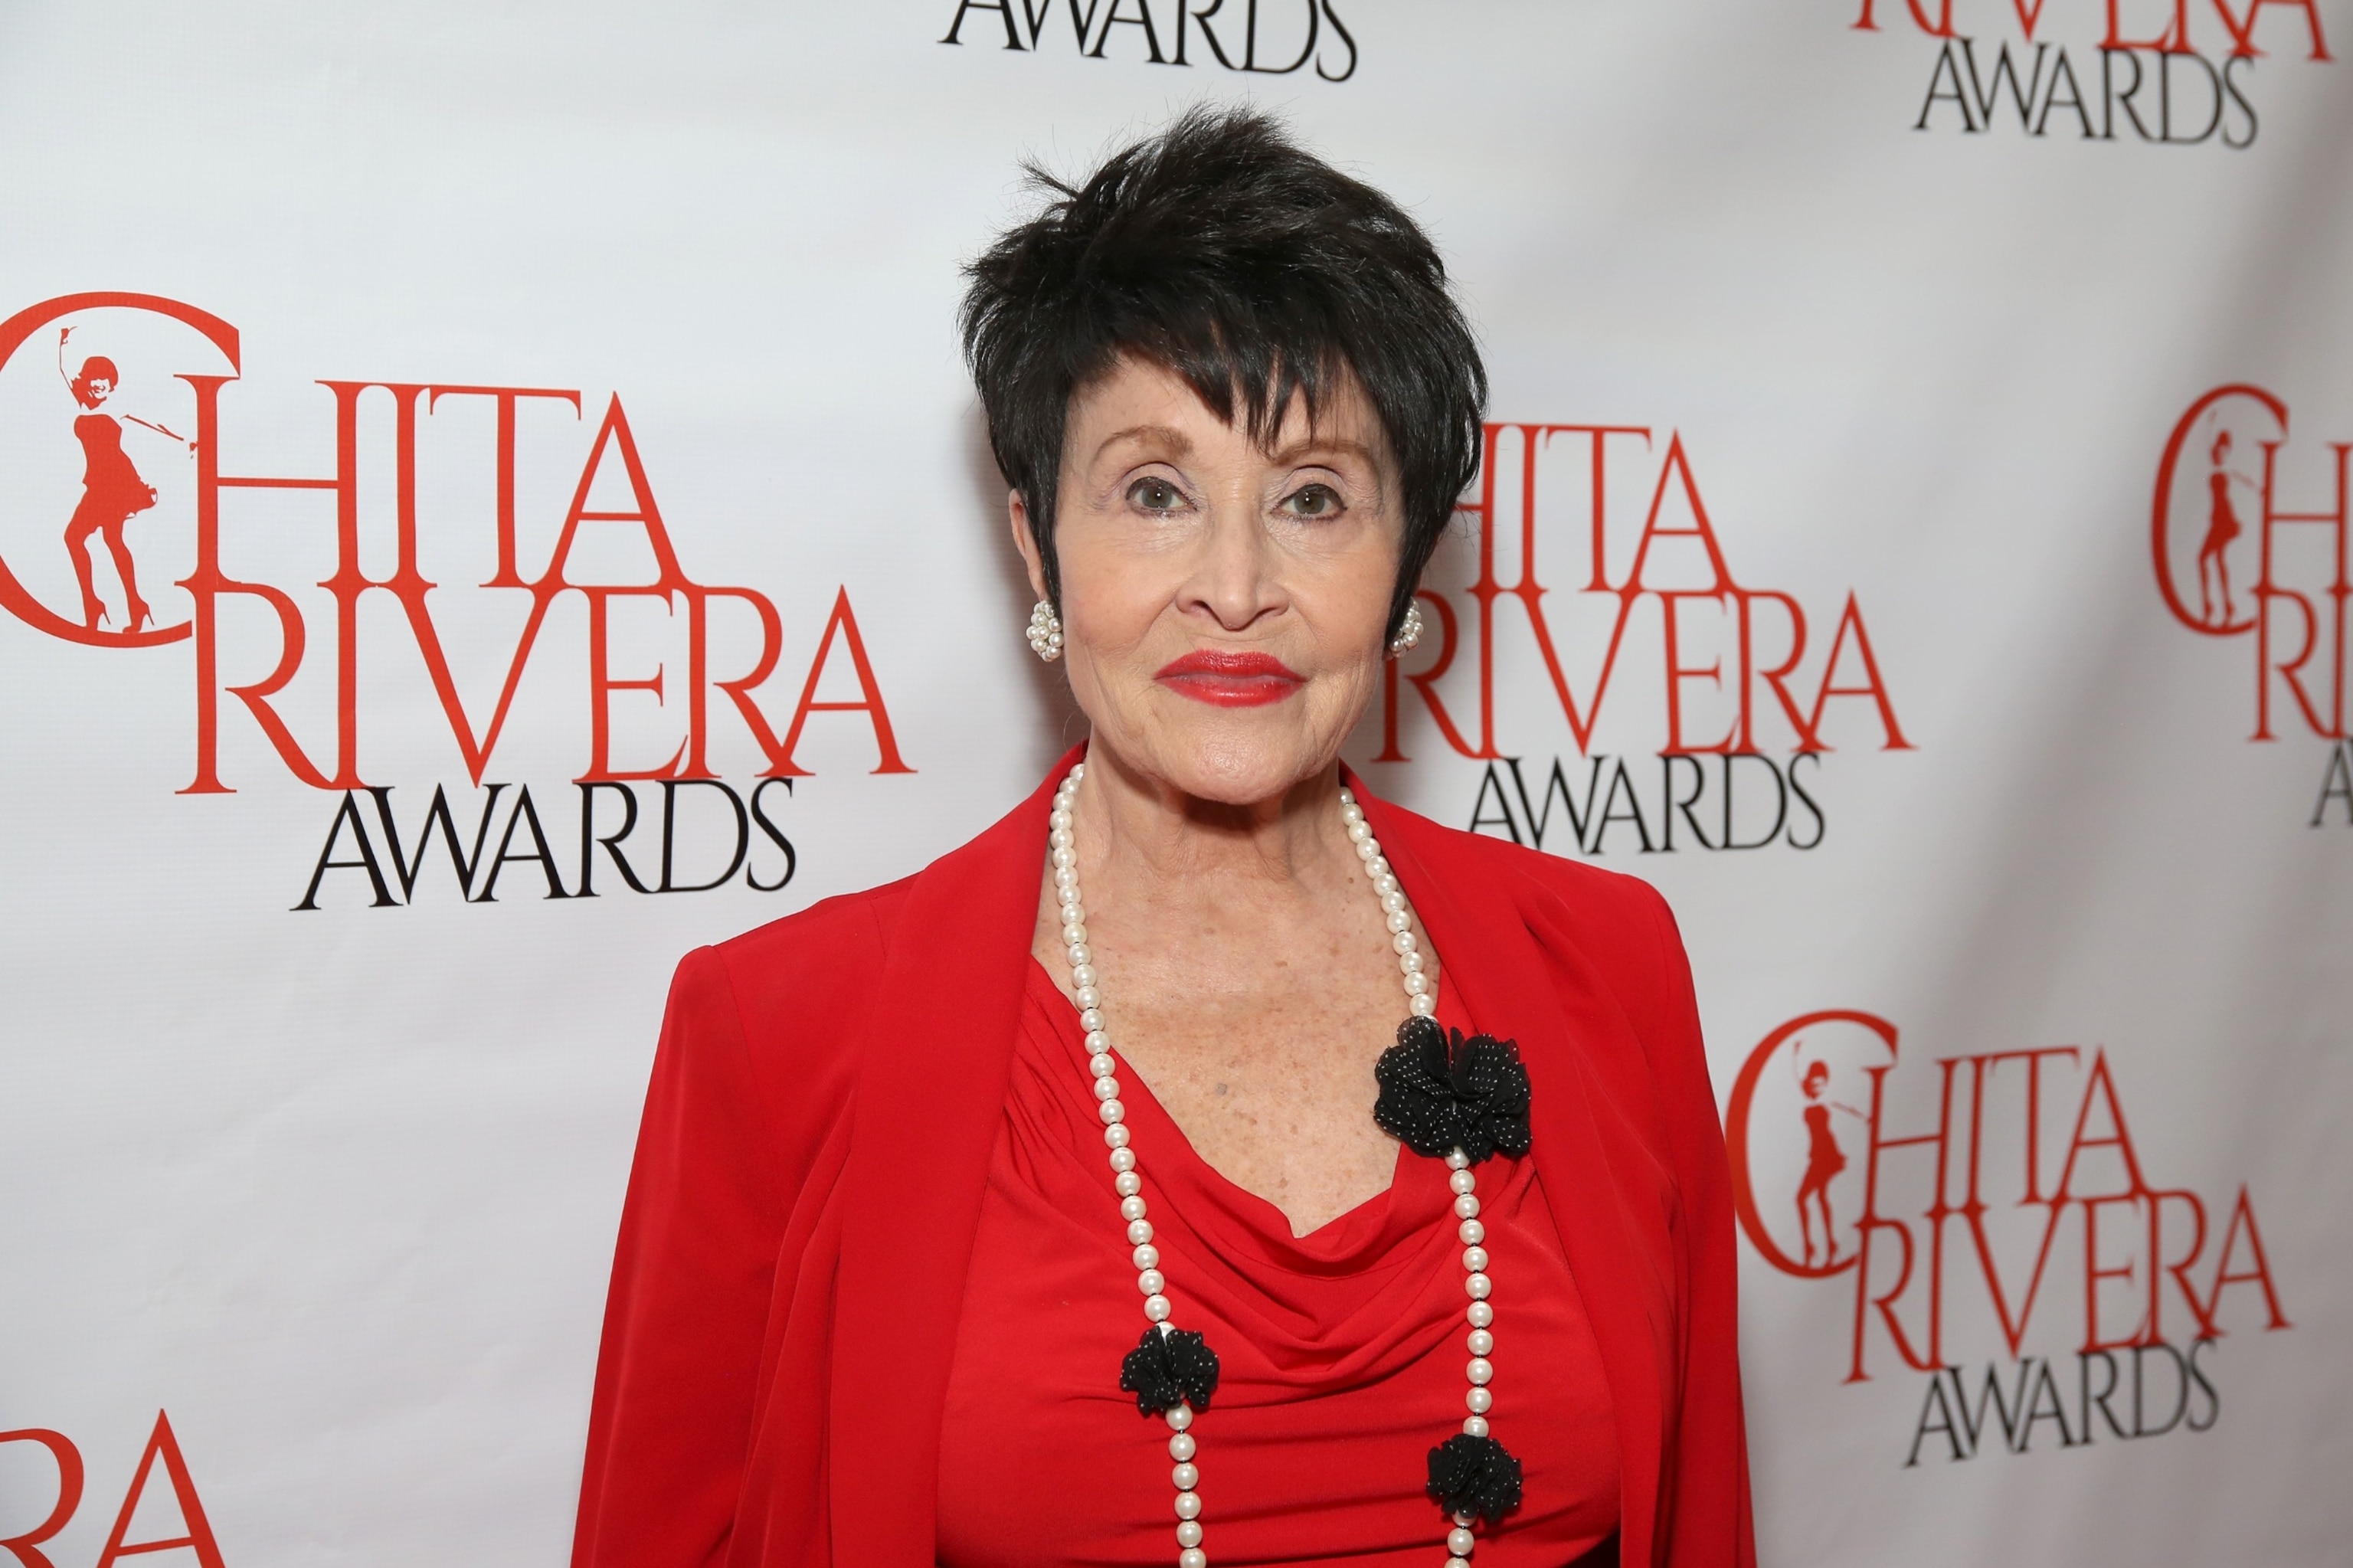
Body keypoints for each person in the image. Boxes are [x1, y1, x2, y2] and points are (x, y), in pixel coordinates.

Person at [572, 106, 1752, 1568]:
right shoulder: (784, 1028)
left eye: (1314, 498)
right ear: (1035, 538)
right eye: (1153, 492)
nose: (1237, 585)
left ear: (1405, 557)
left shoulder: (1608, 963)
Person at [56, 330, 189, 633]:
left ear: (112, 384)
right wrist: (63, 342)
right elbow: (63, 371)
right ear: (87, 380)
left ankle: (125, 605)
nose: (100, 384)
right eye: (95, 378)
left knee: (103, 540)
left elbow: (153, 422)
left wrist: (186, 440)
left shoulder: (116, 407)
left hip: (117, 483)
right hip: (97, 485)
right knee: (80, 539)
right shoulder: (81, 403)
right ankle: (113, 604)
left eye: (106, 380)